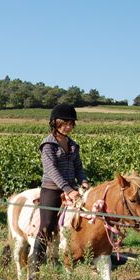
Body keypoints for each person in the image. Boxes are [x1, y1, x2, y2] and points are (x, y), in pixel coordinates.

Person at [34, 104, 90, 271]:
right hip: (52, 188)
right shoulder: (48, 144)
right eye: (64, 123)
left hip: (72, 188)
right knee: (47, 224)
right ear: (54, 123)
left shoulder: (73, 145)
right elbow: (51, 170)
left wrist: (84, 180)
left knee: (89, 218)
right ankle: (35, 264)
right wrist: (68, 189)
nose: (68, 127)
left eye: (71, 124)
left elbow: (79, 167)